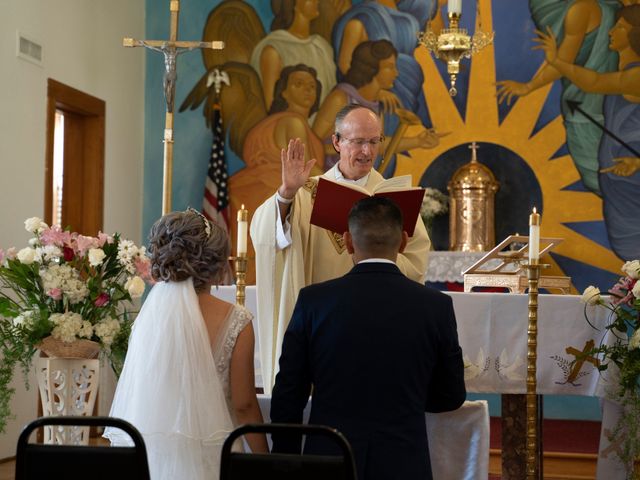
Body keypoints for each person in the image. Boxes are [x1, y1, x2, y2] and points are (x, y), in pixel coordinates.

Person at [270, 196, 466, 480]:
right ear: (403, 242)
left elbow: (289, 392)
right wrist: (406, 401)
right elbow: (451, 395)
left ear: (348, 241)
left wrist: (285, 460)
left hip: (329, 458)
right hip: (403, 459)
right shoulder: (435, 306)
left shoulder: (314, 302)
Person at [250, 104, 430, 392]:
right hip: (323, 326)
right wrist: (286, 194)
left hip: (380, 322)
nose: (367, 152)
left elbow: (416, 261)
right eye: (358, 141)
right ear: (337, 141)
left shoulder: (393, 199)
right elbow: (264, 234)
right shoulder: (307, 193)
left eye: (374, 141)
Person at [104, 209, 268, 479]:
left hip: (156, 453)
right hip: (216, 451)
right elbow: (244, 406)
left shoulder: (148, 317)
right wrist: (265, 461)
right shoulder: (237, 320)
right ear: (216, 264)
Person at [535, 4, 640, 260]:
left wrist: (557, 61)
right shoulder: (626, 72)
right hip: (619, 181)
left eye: (621, 27)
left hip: (632, 179)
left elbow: (592, 82)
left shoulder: (636, 76)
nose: (612, 30)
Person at [496, 0, 621, 195]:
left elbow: (561, 63)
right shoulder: (587, 8)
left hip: (588, 105)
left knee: (607, 178)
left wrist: (528, 87)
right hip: (593, 99)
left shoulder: (579, 10)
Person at [229, 64, 325, 283]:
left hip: (261, 197)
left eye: (312, 86)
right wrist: (344, 187)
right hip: (267, 194)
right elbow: (309, 170)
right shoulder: (293, 121)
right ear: (283, 91)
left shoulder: (294, 122)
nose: (307, 90)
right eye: (299, 84)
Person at [313, 39, 441, 170]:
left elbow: (378, 145)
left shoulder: (375, 104)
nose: (396, 73)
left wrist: (418, 141)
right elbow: (311, 143)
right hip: (332, 179)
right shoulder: (340, 98)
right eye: (390, 67)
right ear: (372, 68)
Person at [250, 0, 336, 111]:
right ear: (294, 4)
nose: (317, 1)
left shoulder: (322, 46)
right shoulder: (274, 50)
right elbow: (272, 108)